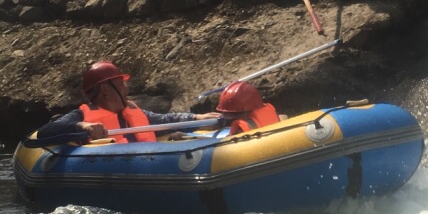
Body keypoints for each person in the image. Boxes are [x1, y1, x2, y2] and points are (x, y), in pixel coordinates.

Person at [35, 61, 217, 143]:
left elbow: (166, 120)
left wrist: (197, 117)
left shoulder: (133, 112)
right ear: (106, 89)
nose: (126, 89)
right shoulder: (81, 115)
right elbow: (44, 133)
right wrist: (81, 126)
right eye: (121, 84)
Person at [215, 81, 281, 136]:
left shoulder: (240, 128)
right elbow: (283, 116)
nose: (226, 116)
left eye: (228, 114)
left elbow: (225, 143)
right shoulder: (267, 111)